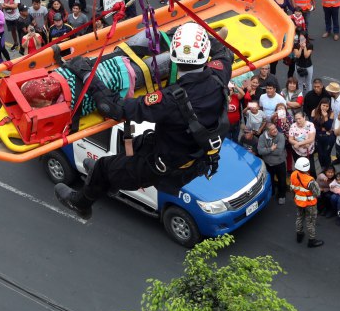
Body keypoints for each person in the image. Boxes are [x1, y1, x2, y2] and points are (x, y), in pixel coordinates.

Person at [55, 23, 231, 220]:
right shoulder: (219, 75)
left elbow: (112, 108)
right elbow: (224, 52)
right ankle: (109, 181)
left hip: (164, 166)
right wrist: (199, 37)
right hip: (186, 153)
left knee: (103, 168)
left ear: (172, 54)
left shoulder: (169, 101)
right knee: (135, 145)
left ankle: (81, 203)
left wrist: (87, 74)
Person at [290, 156, 323, 247]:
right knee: (310, 222)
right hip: (310, 205)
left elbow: (292, 188)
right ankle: (311, 241)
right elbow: (317, 193)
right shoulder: (310, 181)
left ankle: (299, 235)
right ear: (308, 167)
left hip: (298, 202)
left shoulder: (293, 174)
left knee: (299, 218)